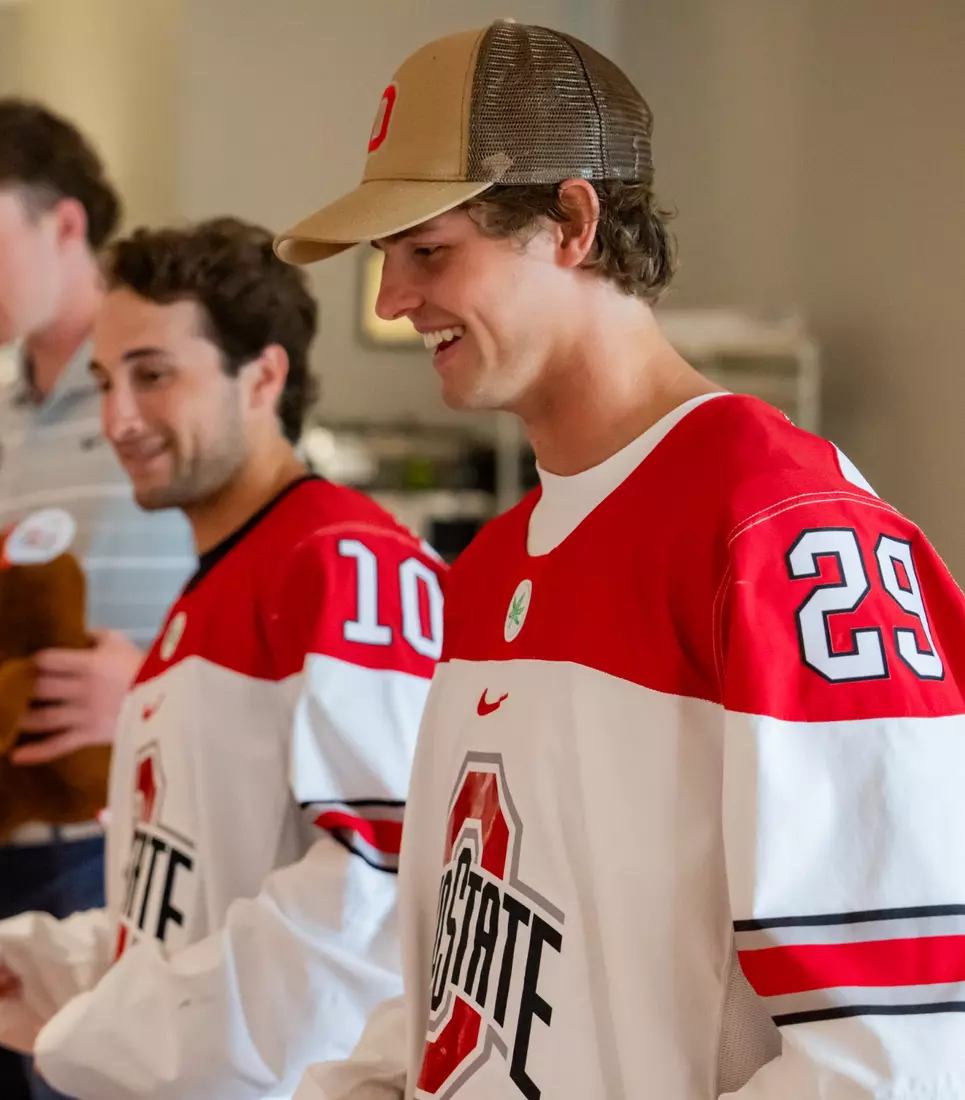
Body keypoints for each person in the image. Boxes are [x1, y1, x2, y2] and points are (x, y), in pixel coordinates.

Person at [273, 20, 965, 1100]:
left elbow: (893, 1052)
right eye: (383, 261)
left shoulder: (778, 526)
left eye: (428, 250)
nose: (393, 302)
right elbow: (463, 967)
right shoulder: (492, 567)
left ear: (571, 222)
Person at [0, 217, 445, 1100]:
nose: (117, 418)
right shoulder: (218, 584)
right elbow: (190, 906)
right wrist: (43, 970)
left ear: (263, 376)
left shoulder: (345, 567)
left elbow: (371, 912)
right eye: (104, 381)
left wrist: (102, 1029)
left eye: (153, 375)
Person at [0, 99, 195, 1100]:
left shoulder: (167, 398)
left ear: (64, 225)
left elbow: (267, 613)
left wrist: (150, 690)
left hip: (143, 844)